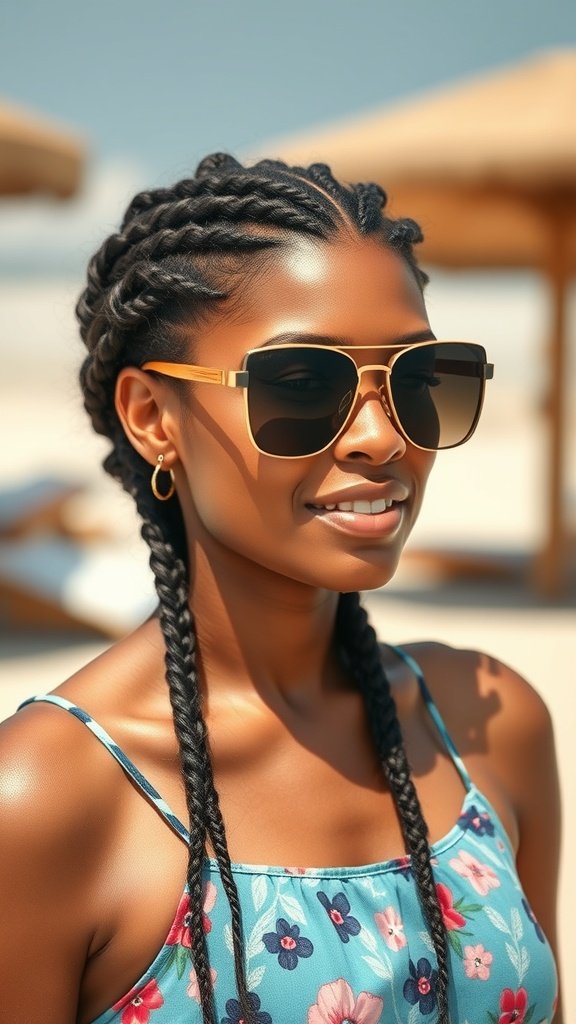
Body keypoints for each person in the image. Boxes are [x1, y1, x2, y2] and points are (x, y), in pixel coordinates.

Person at [0, 154, 561, 1024]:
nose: (381, 437)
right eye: (302, 383)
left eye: (419, 381)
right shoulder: (46, 799)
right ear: (152, 417)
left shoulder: (488, 727)